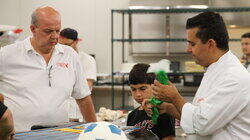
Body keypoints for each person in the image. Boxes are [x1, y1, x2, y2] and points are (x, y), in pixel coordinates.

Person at [143, 11, 250, 139]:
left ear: (210, 44)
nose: (188, 49)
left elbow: (202, 123)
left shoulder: (233, 77)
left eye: (192, 44)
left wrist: (174, 97)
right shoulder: (214, 69)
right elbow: (198, 114)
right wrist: (167, 108)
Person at [0, 6, 97, 132]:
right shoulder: (7, 55)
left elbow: (83, 99)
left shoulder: (70, 55)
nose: (55, 36)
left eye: (57, 31)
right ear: (33, 29)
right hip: (19, 135)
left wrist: (96, 130)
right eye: (48, 31)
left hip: (59, 135)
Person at [127, 63, 175, 140]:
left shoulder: (164, 111)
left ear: (154, 86)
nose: (138, 94)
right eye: (133, 89)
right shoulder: (131, 116)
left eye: (143, 89)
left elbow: (169, 138)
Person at [59, 28, 97, 122]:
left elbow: (85, 88)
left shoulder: (87, 60)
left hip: (79, 113)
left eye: (67, 45)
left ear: (76, 42)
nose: (64, 48)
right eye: (61, 45)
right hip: (62, 113)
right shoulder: (59, 59)